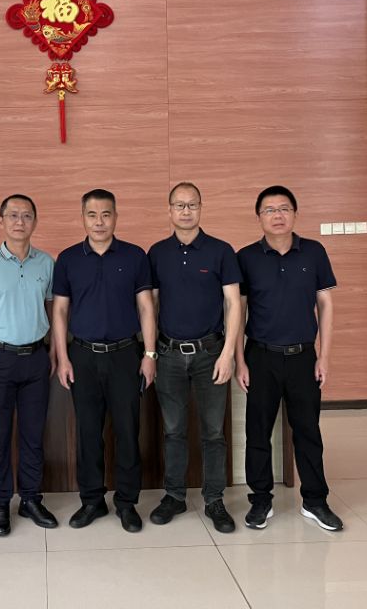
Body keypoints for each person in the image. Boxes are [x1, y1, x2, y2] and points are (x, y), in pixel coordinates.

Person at [236, 185, 344, 532]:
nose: (277, 216)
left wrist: (324, 357)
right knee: (258, 432)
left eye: (284, 209)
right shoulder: (246, 257)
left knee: (308, 431)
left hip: (303, 357)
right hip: (260, 356)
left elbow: (325, 305)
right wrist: (239, 360)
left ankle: (315, 501)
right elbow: (237, 312)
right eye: (269, 210)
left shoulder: (314, 252)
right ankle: (260, 500)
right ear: (259, 217)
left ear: (295, 214)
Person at [51, 188, 157, 533]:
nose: (99, 222)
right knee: (87, 433)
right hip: (82, 355)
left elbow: (146, 307)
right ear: (83, 218)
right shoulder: (68, 259)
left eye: (106, 214)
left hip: (126, 355)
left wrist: (150, 354)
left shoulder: (135, 256)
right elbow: (60, 311)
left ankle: (127, 503)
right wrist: (63, 357)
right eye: (92, 215)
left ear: (116, 217)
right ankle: (92, 501)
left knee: (128, 431)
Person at [146, 182, 242, 533]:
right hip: (169, 354)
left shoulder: (221, 251)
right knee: (173, 430)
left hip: (210, 354)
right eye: (179, 205)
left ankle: (214, 499)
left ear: (201, 208)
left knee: (214, 432)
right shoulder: (157, 253)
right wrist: (150, 352)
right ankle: (174, 496)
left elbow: (234, 304)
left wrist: (228, 353)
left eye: (192, 205)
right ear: (169, 210)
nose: (186, 211)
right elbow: (151, 305)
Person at [0, 194, 59, 537]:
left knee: (33, 435)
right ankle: (0, 503)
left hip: (36, 357)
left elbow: (53, 310)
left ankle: (31, 499)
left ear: (35, 221)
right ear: (1, 221)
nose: (20, 222)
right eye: (13, 215)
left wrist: (54, 351)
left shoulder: (46, 263)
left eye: (27, 216)